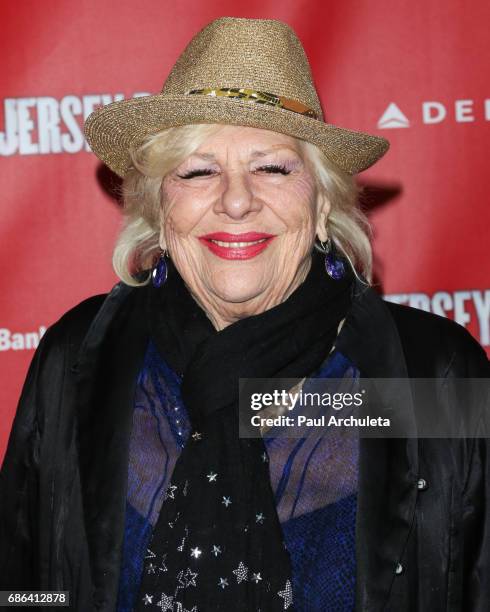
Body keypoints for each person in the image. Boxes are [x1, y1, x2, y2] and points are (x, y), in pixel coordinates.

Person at [0, 16, 489, 612]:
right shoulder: (80, 358)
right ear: (159, 206)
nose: (236, 200)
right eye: (199, 171)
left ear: (321, 201)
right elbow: (23, 585)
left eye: (272, 168)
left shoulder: (431, 375)